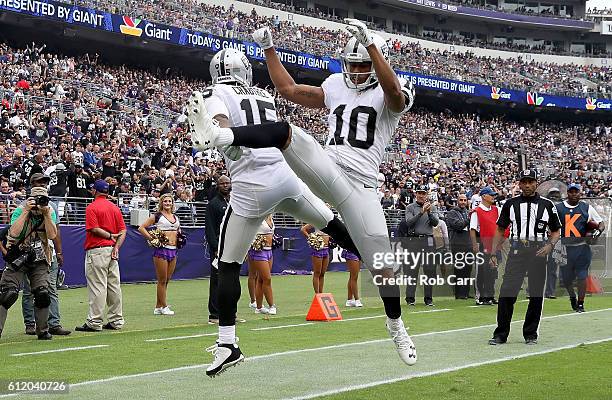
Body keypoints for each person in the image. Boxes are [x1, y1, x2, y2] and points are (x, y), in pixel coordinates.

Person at [187, 20, 417, 371]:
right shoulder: (337, 85)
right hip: (325, 167)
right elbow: (290, 90)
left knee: (383, 269)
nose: (355, 72)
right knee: (286, 131)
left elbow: (396, 98)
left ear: (376, 60)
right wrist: (269, 50)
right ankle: (222, 137)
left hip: (361, 187)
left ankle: (396, 326)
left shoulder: (392, 86)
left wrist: (372, 47)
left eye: (363, 65)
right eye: (351, 64)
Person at [187, 48, 362, 376]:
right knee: (330, 222)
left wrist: (225, 140)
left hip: (252, 186)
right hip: (286, 177)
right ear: (246, 71)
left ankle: (227, 343)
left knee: (226, 265)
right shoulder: (262, 93)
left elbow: (221, 124)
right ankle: (380, 261)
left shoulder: (213, 91)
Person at [488, 170, 561, 346]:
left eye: (530, 181)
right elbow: (500, 229)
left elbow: (556, 231)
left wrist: (549, 246)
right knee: (507, 292)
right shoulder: (510, 204)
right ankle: (501, 334)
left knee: (536, 294)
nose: (527, 185)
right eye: (524, 182)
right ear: (519, 184)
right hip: (517, 251)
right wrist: (492, 252)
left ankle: (530, 334)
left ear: (537, 183)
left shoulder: (547, 205)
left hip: (538, 251)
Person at [0, 185, 57, 340]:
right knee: (8, 293)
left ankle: (43, 330)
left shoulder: (49, 211)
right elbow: (13, 233)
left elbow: (52, 235)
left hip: (39, 258)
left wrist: (46, 215)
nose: (39, 204)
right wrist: (26, 211)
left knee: (42, 293)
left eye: (42, 200)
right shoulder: (20, 210)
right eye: (36, 200)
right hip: (18, 256)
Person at [21, 173, 71, 336]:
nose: (42, 185)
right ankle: (30, 323)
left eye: (44, 182)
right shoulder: (23, 206)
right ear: (31, 184)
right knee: (29, 290)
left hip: (48, 252)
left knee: (51, 288)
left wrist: (59, 252)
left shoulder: (51, 207)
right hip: (29, 252)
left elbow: (55, 233)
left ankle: (54, 323)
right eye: (39, 182)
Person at [75, 180, 126, 332]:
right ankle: (116, 320)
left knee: (98, 287)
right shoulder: (114, 207)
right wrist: (116, 246)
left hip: (97, 250)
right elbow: (123, 231)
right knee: (114, 286)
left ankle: (94, 322)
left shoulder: (92, 207)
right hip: (111, 250)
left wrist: (110, 236)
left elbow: (94, 229)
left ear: (95, 191)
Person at [555, 184, 604, 313]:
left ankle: (581, 303)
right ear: (567, 193)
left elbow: (601, 223)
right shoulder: (559, 208)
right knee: (566, 279)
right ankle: (572, 296)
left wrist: (596, 233)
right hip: (565, 247)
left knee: (582, 276)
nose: (574, 194)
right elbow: (552, 226)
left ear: (580, 193)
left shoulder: (586, 207)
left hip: (582, 247)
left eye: (576, 192)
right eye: (571, 192)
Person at [138, 193, 181, 316]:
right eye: (165, 201)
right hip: (162, 250)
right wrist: (152, 238)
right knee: (162, 280)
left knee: (167, 280)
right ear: (161, 203)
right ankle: (164, 306)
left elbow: (178, 230)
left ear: (172, 203)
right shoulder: (157, 216)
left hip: (174, 249)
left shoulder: (176, 217)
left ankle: (158, 306)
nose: (168, 203)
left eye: (170, 201)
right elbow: (141, 228)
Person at [401, 185, 439, 306]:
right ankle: (410, 298)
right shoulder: (410, 207)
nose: (421, 195)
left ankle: (428, 299)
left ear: (426, 194)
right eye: (419, 193)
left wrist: (428, 213)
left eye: (423, 193)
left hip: (428, 240)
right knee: (412, 270)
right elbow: (409, 223)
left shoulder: (432, 207)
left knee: (429, 270)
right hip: (414, 240)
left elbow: (435, 223)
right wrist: (420, 213)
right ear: (416, 194)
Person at [470, 187, 506, 306]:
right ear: (484, 196)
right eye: (491, 195)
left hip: (495, 246)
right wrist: (475, 244)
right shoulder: (477, 211)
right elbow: (473, 229)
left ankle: (490, 295)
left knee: (492, 271)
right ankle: (481, 297)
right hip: (483, 245)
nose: (493, 197)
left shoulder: (496, 210)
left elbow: (503, 226)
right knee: (482, 271)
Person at [204, 175, 231, 325]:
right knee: (217, 281)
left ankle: (229, 313)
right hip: (219, 248)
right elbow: (209, 228)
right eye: (222, 183)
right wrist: (215, 247)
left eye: (227, 183)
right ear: (218, 185)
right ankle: (214, 314)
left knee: (230, 280)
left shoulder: (233, 202)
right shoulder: (213, 204)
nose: (225, 185)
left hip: (232, 247)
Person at [248, 215, 276, 315]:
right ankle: (272, 305)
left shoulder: (270, 215)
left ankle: (259, 307)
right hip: (259, 251)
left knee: (261, 279)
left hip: (269, 251)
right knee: (267, 279)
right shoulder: (257, 215)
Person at [445, 194, 472, 299]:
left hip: (468, 243)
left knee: (468, 269)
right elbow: (458, 226)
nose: (463, 202)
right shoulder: (452, 212)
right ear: (457, 201)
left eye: (465, 200)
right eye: (461, 200)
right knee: (459, 269)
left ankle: (466, 292)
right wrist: (469, 219)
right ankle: (459, 293)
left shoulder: (466, 212)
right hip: (457, 244)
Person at [301, 223, 330, 293]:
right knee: (317, 273)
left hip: (326, 249)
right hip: (318, 250)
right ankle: (317, 294)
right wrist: (311, 239)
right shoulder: (316, 220)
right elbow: (303, 229)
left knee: (322, 273)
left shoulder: (329, 221)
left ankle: (321, 294)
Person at [544, 187, 563, 298]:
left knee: (552, 267)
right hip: (543, 239)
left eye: (556, 194)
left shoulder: (561, 208)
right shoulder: (544, 206)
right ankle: (532, 290)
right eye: (553, 194)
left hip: (555, 240)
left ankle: (550, 291)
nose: (555, 196)